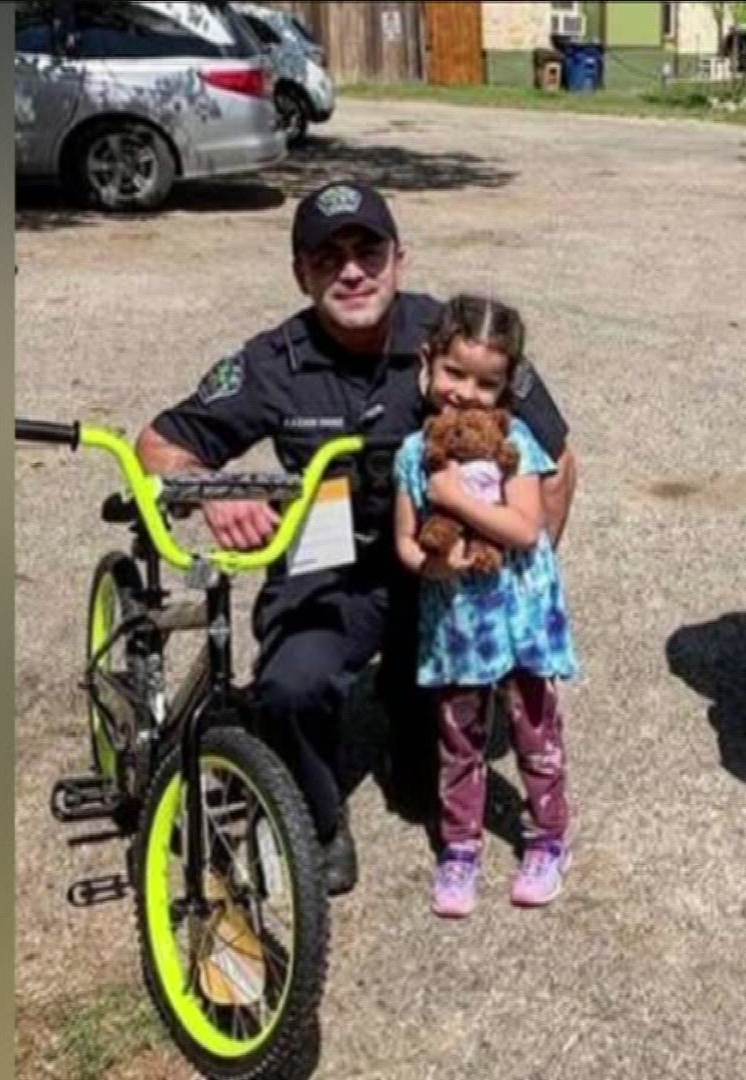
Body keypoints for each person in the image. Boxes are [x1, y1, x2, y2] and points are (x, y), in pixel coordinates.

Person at [134, 181, 579, 896]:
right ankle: (318, 817)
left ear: (399, 259)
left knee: (427, 737)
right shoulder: (272, 361)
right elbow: (160, 445)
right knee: (290, 688)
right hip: (328, 570)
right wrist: (222, 494)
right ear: (301, 273)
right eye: (326, 256)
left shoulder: (457, 342)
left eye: (368, 250)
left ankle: (411, 732)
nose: (351, 270)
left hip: (438, 573)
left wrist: (518, 585)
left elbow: (556, 460)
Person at [394, 295, 580, 918]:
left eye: (487, 383)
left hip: (523, 614)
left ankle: (549, 836)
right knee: (459, 741)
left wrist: (452, 495)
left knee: (536, 733)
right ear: (429, 362)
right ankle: (460, 851)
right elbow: (404, 541)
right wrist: (434, 563)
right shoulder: (409, 454)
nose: (467, 394)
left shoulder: (516, 442)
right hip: (457, 624)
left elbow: (525, 528)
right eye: (455, 373)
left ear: (507, 388)